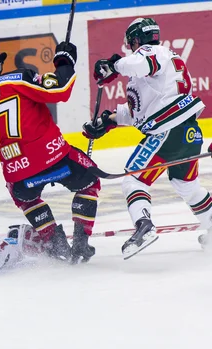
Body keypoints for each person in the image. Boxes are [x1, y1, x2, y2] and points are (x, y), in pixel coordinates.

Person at [0, 43, 101, 264]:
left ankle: (54, 240)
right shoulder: (19, 79)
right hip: (54, 157)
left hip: (18, 174)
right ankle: (81, 240)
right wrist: (64, 60)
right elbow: (60, 90)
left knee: (25, 198)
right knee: (89, 181)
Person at [83, 17, 212, 257]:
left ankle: (144, 226)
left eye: (130, 44)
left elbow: (139, 63)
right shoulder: (156, 71)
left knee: (133, 181)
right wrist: (107, 121)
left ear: (135, 40)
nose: (130, 49)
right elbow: (136, 113)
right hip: (188, 132)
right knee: (187, 186)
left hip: (167, 129)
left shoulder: (153, 52)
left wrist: (114, 65)